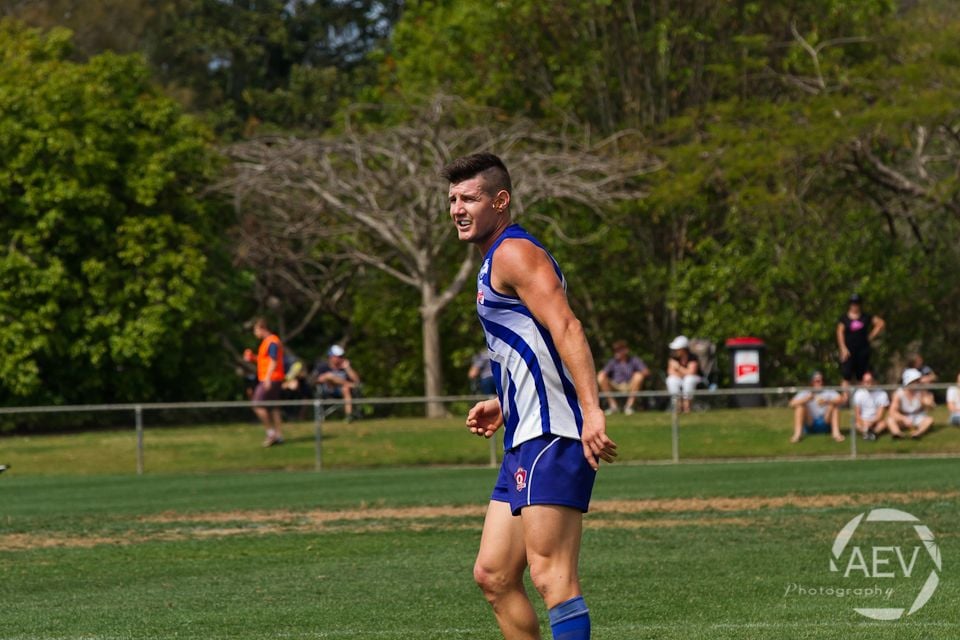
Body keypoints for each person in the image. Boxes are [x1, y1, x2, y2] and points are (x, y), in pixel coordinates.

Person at [445, 152, 617, 640]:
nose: (458, 208)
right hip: (526, 429)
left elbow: (566, 326)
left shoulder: (513, 252)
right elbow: (537, 344)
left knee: (552, 576)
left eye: (470, 198)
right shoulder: (493, 259)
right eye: (453, 198)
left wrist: (592, 411)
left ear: (500, 201)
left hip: (553, 432)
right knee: (495, 575)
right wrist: (506, 402)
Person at [242, 318, 285, 447]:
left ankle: (271, 433)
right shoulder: (267, 343)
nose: (255, 333)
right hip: (273, 378)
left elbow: (273, 361)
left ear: (261, 328)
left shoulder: (272, 341)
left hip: (271, 379)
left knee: (257, 404)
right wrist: (253, 358)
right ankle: (279, 435)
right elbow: (265, 360)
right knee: (273, 407)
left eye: (255, 330)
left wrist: (267, 378)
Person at [836, 293, 885, 384]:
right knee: (846, 375)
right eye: (853, 303)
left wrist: (871, 336)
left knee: (861, 375)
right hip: (849, 351)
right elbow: (839, 332)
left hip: (862, 351)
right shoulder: (844, 318)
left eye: (857, 303)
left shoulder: (865, 317)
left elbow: (880, 323)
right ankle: (846, 397)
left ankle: (860, 396)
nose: (855, 306)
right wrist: (843, 348)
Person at [789, 371, 846, 443]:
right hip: (810, 423)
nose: (820, 383)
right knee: (800, 406)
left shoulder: (828, 391)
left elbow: (841, 400)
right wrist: (806, 399)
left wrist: (826, 401)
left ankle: (836, 434)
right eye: (818, 381)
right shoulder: (806, 392)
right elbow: (791, 404)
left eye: (821, 380)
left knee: (834, 405)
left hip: (826, 422)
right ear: (812, 382)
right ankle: (797, 435)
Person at [597, 340, 649, 415]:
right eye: (615, 350)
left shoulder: (634, 360)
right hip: (616, 385)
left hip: (629, 385)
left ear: (625, 350)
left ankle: (629, 407)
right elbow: (603, 373)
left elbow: (646, 372)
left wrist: (637, 373)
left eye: (618, 350)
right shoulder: (613, 362)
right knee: (600, 376)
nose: (616, 352)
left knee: (638, 376)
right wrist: (603, 374)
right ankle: (613, 407)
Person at [314, 344, 362, 421]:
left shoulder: (344, 367)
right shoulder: (323, 366)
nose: (340, 358)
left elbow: (357, 381)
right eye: (338, 356)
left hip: (342, 391)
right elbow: (316, 380)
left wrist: (348, 368)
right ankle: (348, 384)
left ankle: (349, 416)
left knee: (345, 389)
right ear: (331, 356)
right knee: (329, 376)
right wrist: (326, 378)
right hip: (328, 390)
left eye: (341, 356)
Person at [885, 368, 935, 439]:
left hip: (918, 417)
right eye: (915, 381)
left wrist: (929, 403)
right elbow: (892, 411)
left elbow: (930, 405)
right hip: (903, 417)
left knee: (929, 420)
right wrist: (903, 418)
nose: (917, 383)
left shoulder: (921, 392)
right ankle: (897, 433)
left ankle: (918, 433)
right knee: (890, 420)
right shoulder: (898, 394)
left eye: (918, 381)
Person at [666, 335, 700, 413]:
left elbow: (691, 373)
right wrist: (684, 372)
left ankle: (687, 407)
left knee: (689, 380)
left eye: (678, 349)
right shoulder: (673, 358)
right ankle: (677, 407)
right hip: (681, 379)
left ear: (683, 349)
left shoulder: (692, 357)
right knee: (671, 380)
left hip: (695, 379)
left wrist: (678, 367)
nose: (676, 351)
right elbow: (670, 372)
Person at [851, 371, 888, 441]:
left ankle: (870, 433)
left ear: (874, 381)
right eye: (865, 382)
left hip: (876, 421)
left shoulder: (882, 394)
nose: (868, 384)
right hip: (863, 421)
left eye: (869, 381)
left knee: (884, 423)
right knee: (856, 424)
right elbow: (857, 414)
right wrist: (864, 422)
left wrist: (871, 422)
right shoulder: (858, 394)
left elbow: (880, 415)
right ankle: (869, 433)